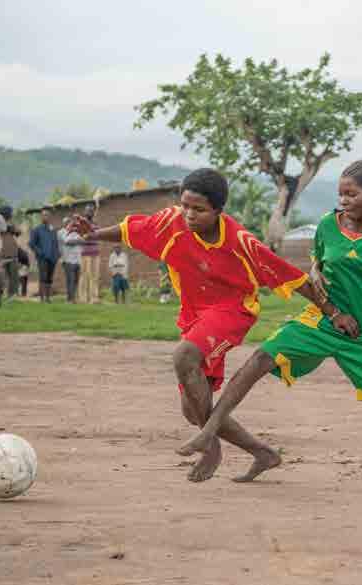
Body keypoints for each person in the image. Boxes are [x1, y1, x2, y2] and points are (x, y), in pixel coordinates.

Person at [176, 161, 362, 495]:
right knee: (260, 360)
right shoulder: (327, 225)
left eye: (352, 193)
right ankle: (210, 430)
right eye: (341, 193)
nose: (344, 200)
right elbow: (317, 264)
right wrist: (322, 286)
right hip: (320, 320)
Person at [88, 168, 324, 482]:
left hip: (232, 310)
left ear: (217, 211)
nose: (188, 214)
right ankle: (262, 453)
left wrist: (332, 311)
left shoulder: (240, 241)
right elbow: (131, 229)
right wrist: (92, 234)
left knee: (183, 356)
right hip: (195, 316)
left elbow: (288, 274)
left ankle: (211, 448)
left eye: (198, 209)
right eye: (185, 205)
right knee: (193, 409)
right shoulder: (171, 222)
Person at [29, 209, 60, 303]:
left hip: (52, 257)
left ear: (50, 217)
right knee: (43, 276)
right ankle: (42, 298)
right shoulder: (36, 229)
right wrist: (40, 253)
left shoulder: (53, 230)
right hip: (42, 258)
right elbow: (31, 244)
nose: (45, 217)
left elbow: (55, 242)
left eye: (47, 215)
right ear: (41, 217)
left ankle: (48, 297)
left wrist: (57, 254)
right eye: (43, 215)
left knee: (50, 277)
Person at [78, 204, 101, 304]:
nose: (90, 213)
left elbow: (97, 235)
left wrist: (91, 234)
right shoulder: (81, 224)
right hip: (85, 253)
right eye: (88, 211)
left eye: (91, 211)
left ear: (93, 213)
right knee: (84, 275)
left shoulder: (96, 224)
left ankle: (94, 298)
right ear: (85, 212)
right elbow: (83, 237)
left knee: (95, 276)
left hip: (95, 252)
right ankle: (83, 298)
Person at [0, 205, 21, 299]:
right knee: (4, 275)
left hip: (12, 252)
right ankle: (4, 293)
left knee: (14, 275)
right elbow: (6, 229)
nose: (11, 215)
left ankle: (13, 294)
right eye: (10, 213)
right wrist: (10, 227)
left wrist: (11, 226)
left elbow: (18, 232)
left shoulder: (10, 223)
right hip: (2, 252)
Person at [62, 222, 83, 303]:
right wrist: (77, 241)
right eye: (71, 226)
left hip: (78, 261)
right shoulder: (64, 233)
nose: (73, 228)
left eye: (74, 226)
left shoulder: (77, 234)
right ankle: (70, 299)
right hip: (69, 261)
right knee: (70, 280)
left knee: (76, 281)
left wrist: (76, 241)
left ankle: (73, 298)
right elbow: (67, 242)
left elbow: (83, 241)